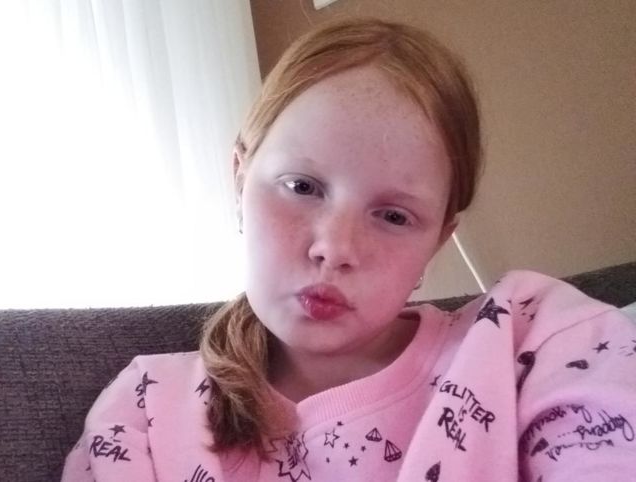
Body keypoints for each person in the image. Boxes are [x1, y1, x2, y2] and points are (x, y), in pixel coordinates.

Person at [61, 17, 636, 481]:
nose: (334, 249)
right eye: (301, 187)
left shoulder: (531, 338)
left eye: (393, 216)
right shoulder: (144, 410)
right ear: (239, 178)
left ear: (438, 238)